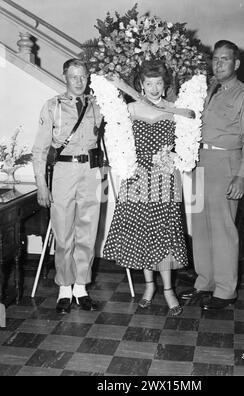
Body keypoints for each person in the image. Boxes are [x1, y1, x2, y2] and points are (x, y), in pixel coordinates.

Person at [103, 60, 188, 316]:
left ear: (165, 85)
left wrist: (173, 156)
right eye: (148, 83)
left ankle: (168, 290)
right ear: (141, 85)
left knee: (163, 233)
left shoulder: (175, 109)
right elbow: (114, 139)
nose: (153, 88)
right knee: (142, 232)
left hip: (164, 177)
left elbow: (186, 142)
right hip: (137, 177)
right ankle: (149, 287)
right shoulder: (129, 109)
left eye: (158, 83)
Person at [179, 40, 244, 310]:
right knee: (201, 228)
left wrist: (241, 176)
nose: (219, 64)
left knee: (224, 229)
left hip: (227, 163)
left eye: (225, 59)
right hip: (201, 161)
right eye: (215, 59)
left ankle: (226, 291)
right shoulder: (207, 89)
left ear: (236, 64)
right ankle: (205, 283)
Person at [32, 58, 103, 314]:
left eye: (83, 76)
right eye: (73, 76)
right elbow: (39, 150)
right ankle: (64, 288)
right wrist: (42, 184)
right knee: (63, 233)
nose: (79, 81)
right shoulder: (52, 106)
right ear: (65, 77)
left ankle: (81, 287)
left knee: (88, 231)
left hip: (91, 172)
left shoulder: (98, 106)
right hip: (63, 172)